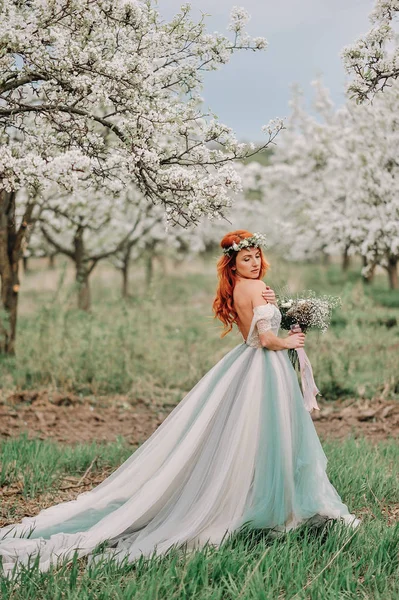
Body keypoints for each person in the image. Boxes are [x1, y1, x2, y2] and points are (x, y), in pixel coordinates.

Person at [0, 229, 360, 577]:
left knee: (257, 435)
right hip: (264, 366)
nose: (253, 262)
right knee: (267, 434)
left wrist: (287, 315)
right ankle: (267, 508)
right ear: (233, 265)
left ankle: (264, 501)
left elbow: (255, 332)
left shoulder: (243, 289)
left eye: (256, 257)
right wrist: (290, 343)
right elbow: (263, 339)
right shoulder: (253, 288)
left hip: (258, 367)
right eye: (246, 259)